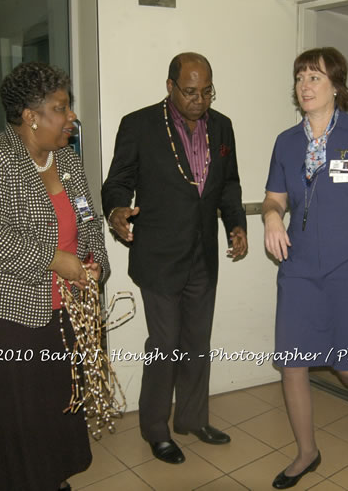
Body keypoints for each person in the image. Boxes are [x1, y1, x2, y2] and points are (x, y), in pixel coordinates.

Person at [0, 62, 109, 491]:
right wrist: (55, 260)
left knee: (52, 403)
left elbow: (89, 219)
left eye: (68, 107)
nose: (71, 117)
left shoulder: (67, 160)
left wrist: (92, 262)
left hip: (59, 307)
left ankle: (48, 477)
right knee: (12, 412)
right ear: (31, 117)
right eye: (61, 108)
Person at [262, 47, 348, 489]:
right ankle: (306, 452)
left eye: (315, 77)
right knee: (293, 362)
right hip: (299, 266)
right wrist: (270, 217)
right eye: (300, 77)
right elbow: (275, 197)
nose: (305, 85)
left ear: (336, 86)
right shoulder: (286, 141)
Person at [101, 52, 248, 465]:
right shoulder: (139, 124)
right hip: (160, 255)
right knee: (165, 344)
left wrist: (236, 224)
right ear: (170, 87)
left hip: (203, 253)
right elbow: (118, 180)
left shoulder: (222, 127)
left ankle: (192, 419)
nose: (200, 100)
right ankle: (155, 429)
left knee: (197, 342)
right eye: (190, 91)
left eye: (206, 91)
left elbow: (230, 184)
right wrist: (115, 210)